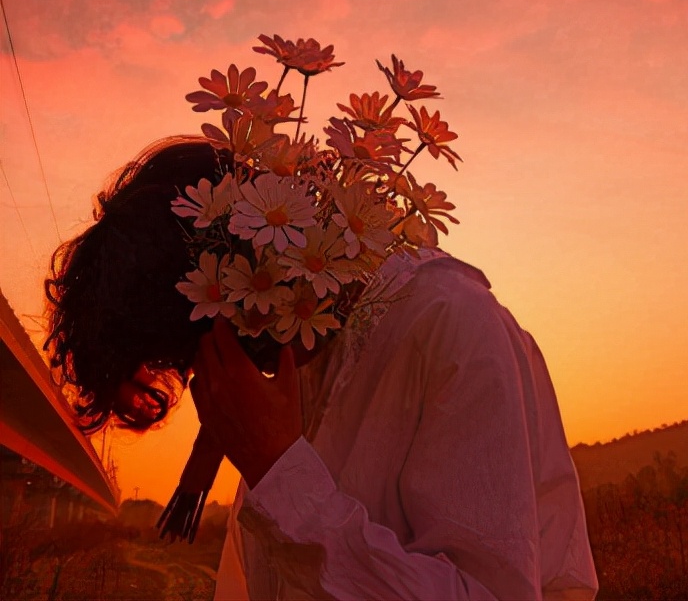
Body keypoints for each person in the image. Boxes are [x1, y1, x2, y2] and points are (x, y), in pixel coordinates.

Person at [46, 136, 598, 600]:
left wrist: (279, 472)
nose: (213, 377)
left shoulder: (450, 327)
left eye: (197, 349)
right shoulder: (301, 367)